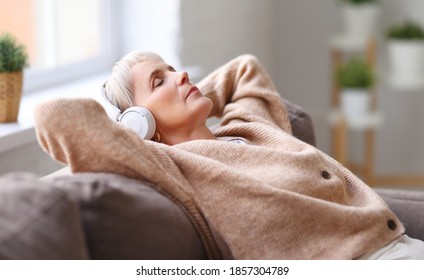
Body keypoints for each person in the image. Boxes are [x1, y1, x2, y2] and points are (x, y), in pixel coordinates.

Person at [34, 51, 424, 260]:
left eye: (173, 69)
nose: (180, 75)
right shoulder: (172, 166)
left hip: (396, 245)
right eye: (159, 80)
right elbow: (53, 117)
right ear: (140, 120)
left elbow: (245, 68)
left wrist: (181, 96)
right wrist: (137, 130)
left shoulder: (245, 126)